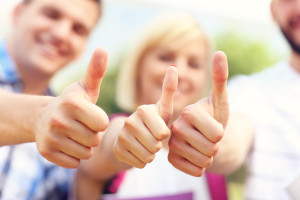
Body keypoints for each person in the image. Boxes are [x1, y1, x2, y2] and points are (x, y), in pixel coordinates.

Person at [76, 13, 229, 200]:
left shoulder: (210, 160)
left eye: (194, 64)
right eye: (165, 57)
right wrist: (121, 141)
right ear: (139, 66)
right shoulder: (113, 130)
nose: (179, 72)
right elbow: (109, 144)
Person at [168, 0, 300, 199]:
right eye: (287, 0)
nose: (298, 7)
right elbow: (232, 140)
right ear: (273, 11)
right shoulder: (253, 91)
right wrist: (211, 139)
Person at [0, 0, 109, 199]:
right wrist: (39, 116)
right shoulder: (56, 116)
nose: (61, 34)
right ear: (17, 13)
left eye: (78, 29)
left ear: (83, 47)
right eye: (51, 14)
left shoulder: (65, 124)